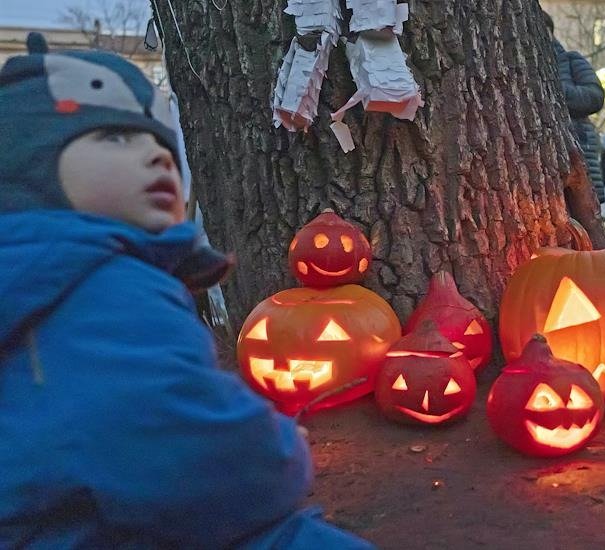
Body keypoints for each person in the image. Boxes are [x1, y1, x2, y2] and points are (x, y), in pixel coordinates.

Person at [0, 34, 372, 549]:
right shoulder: (107, 290)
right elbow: (181, 443)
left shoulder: (34, 280)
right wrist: (279, 450)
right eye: (116, 138)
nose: (156, 159)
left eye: (162, 148)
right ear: (27, 169)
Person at [542, 11, 605, 201]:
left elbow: (594, 97)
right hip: (547, 155)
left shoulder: (571, 60)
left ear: (549, 31)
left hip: (578, 148)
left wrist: (555, 89)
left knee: (586, 215)